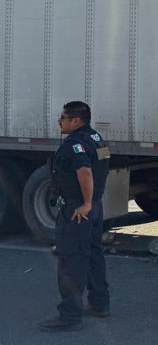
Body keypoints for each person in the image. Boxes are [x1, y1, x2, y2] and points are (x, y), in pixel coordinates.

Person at [39, 101, 111, 332]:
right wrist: (93, 202)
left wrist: (85, 204)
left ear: (76, 120)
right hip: (95, 208)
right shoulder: (96, 138)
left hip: (78, 210)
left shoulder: (75, 144)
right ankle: (100, 304)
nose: (60, 121)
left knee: (71, 261)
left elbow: (85, 171)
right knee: (93, 256)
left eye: (63, 117)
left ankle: (69, 316)